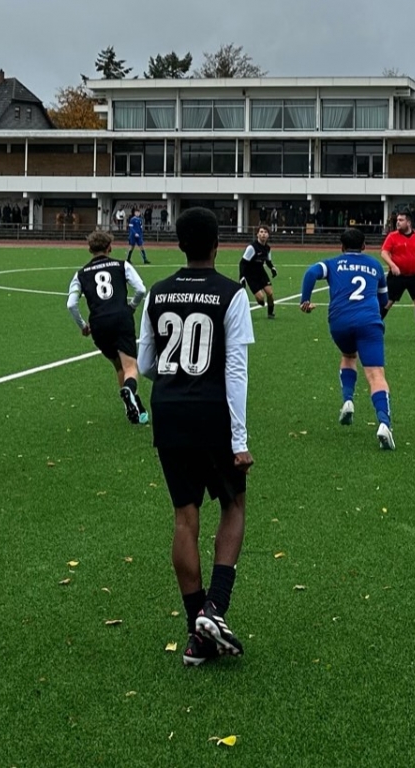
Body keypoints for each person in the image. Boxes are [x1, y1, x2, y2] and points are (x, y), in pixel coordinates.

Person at [137, 207, 256, 666]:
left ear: (179, 244)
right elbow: (236, 371)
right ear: (218, 244)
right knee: (233, 505)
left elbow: (145, 364)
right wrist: (239, 439)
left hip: (168, 412)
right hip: (213, 414)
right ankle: (214, 609)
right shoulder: (232, 294)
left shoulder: (157, 292)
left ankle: (196, 633)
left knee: (184, 518)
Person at [301, 228, 396, 450]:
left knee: (348, 355)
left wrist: (305, 300)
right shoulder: (375, 265)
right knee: (375, 374)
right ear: (364, 246)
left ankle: (348, 401)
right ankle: (384, 423)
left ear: (342, 247)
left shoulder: (332, 263)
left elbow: (311, 273)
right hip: (368, 323)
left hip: (339, 322)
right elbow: (384, 300)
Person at [68, 230, 150, 425]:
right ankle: (130, 391)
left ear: (90, 249)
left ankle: (133, 407)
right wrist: (132, 306)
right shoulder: (122, 265)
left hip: (98, 324)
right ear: (109, 248)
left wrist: (83, 325)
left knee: (119, 365)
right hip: (121, 319)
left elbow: (71, 304)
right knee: (130, 366)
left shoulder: (80, 274)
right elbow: (141, 289)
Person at [380, 212, 415, 342]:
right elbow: (384, 253)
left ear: (408, 222)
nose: (398, 222)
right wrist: (392, 265)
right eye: (397, 220)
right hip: (396, 276)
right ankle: (371, 329)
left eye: (401, 220)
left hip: (414, 276)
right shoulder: (392, 236)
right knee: (387, 303)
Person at [238, 227, 280, 320]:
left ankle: (270, 313)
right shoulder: (252, 248)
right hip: (250, 275)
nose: (263, 234)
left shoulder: (267, 248)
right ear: (257, 234)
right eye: (261, 232)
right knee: (261, 299)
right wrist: (242, 277)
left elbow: (268, 261)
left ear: (268, 235)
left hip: (261, 272)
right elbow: (242, 263)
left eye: (265, 232)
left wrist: (272, 268)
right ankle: (260, 300)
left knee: (270, 293)